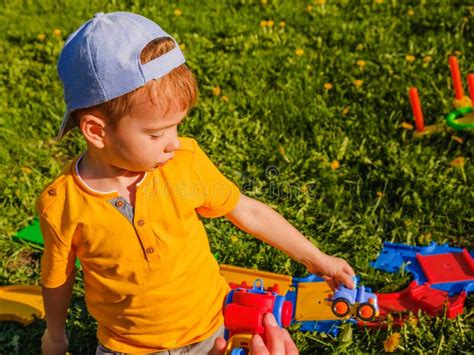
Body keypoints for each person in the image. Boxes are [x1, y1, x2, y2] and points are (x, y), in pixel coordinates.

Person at [38, 11, 355, 355]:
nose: (174, 142)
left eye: (176, 126)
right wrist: (55, 334)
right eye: (156, 133)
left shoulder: (183, 163)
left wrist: (316, 259)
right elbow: (58, 278)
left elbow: (247, 210)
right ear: (97, 132)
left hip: (210, 330)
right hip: (127, 346)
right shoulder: (62, 204)